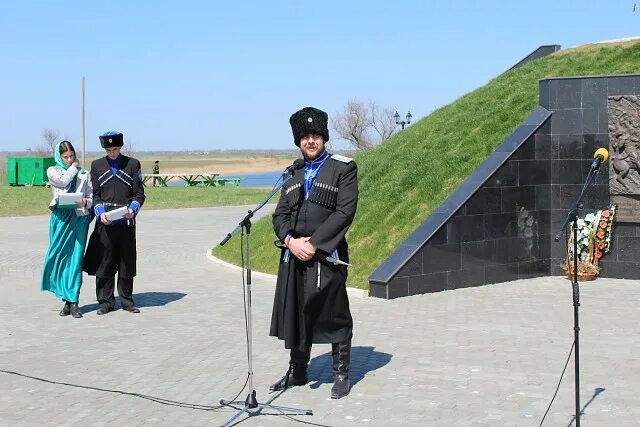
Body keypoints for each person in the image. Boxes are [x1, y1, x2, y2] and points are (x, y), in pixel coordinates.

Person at [269, 107, 358, 399]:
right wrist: (290, 240)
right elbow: (280, 215)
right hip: (294, 256)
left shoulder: (343, 168)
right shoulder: (292, 173)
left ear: (324, 138)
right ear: (298, 141)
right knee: (297, 313)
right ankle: (298, 372)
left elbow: (344, 212)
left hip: (326, 257)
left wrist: (314, 243)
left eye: (315, 136)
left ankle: (341, 375)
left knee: (335, 315)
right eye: (305, 137)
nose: (310, 141)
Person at [83, 131, 145, 315]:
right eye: (109, 149)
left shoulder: (133, 164)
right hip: (105, 220)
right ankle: (105, 302)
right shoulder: (97, 165)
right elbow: (95, 195)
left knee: (126, 260)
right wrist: (100, 212)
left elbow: (139, 194)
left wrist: (132, 209)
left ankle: (127, 300)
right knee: (105, 261)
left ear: (120, 147)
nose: (112, 152)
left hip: (126, 220)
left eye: (115, 149)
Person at [41, 140, 93, 318]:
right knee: (58, 257)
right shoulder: (53, 171)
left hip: (79, 218)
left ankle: (74, 301)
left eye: (72, 156)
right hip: (61, 218)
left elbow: (91, 197)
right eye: (66, 157)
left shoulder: (85, 174)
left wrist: (87, 202)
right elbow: (63, 182)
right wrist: (74, 167)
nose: (70, 159)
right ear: (59, 156)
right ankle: (66, 298)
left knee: (75, 259)